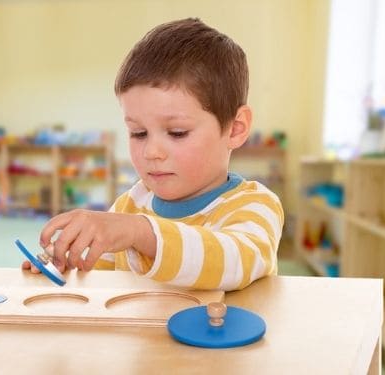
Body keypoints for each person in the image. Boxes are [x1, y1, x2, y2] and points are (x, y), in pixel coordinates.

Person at [22, 17, 284, 291]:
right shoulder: (131, 205)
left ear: (235, 129)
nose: (152, 152)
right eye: (138, 133)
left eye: (178, 132)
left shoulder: (254, 205)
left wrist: (139, 232)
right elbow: (104, 281)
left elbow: (234, 262)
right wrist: (68, 266)